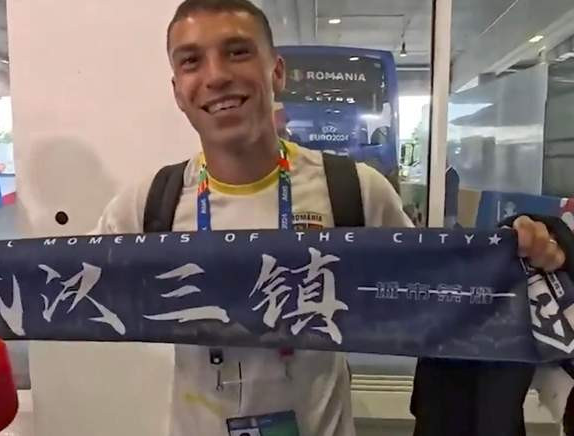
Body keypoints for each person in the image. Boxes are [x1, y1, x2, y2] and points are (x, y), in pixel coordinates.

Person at [94, 0, 570, 434]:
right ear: (178, 91)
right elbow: (70, 293)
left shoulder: (352, 190)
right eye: (191, 61)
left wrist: (515, 253)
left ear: (276, 72)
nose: (215, 75)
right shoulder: (149, 204)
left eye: (237, 52)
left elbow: (440, 294)